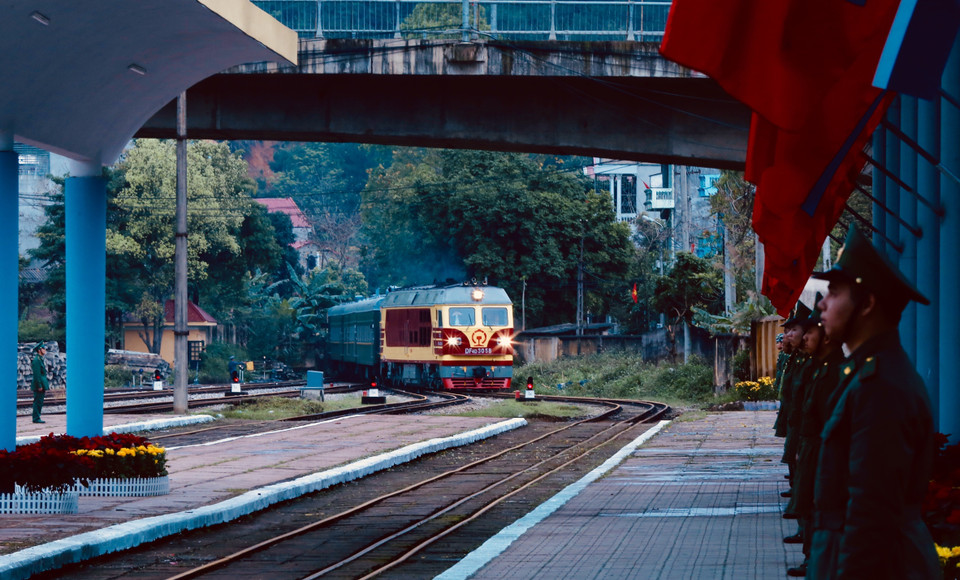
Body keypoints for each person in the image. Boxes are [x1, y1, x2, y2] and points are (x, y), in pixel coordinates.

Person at [808, 224, 939, 579]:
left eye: (834, 293)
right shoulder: (870, 375)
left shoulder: (880, 387)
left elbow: (871, 515)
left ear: (866, 303)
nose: (822, 304)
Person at [787, 294, 845, 577]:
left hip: (822, 451)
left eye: (811, 332)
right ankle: (813, 557)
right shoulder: (819, 366)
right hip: (810, 447)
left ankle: (816, 560)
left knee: (817, 506)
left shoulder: (835, 370)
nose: (805, 337)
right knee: (809, 502)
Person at [31, 342, 48, 424]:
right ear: (39, 350)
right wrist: (39, 385)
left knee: (40, 401)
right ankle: (36, 418)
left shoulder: (40, 359)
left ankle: (37, 417)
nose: (45, 350)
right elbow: (37, 374)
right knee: (38, 401)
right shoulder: (37, 360)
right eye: (43, 348)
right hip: (39, 384)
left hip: (41, 384)